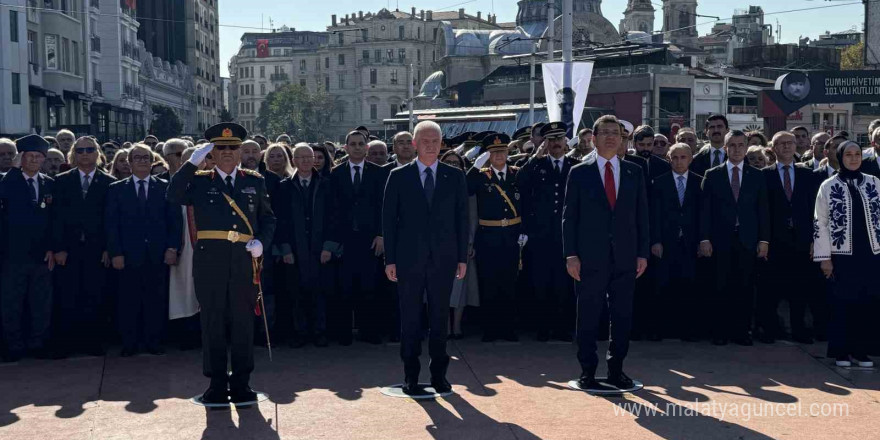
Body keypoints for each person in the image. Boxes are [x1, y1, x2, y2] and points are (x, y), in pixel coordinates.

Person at [167, 122, 276, 404]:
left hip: (242, 259)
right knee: (212, 321)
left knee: (242, 322)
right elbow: (173, 194)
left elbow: (268, 219)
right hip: (210, 261)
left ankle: (242, 381)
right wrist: (191, 163)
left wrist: (262, 241)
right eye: (221, 148)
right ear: (211, 153)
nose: (227, 152)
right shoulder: (200, 181)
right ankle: (216, 383)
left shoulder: (254, 180)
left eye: (232, 147)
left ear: (240, 152)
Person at [563, 115, 649, 391]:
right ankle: (588, 370)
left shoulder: (635, 171)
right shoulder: (579, 172)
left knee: (622, 315)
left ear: (623, 139)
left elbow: (642, 217)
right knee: (587, 315)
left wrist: (642, 253)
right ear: (594, 138)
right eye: (605, 132)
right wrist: (571, 254)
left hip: (625, 257)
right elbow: (569, 218)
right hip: (589, 258)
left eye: (617, 133)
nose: (611, 137)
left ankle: (616, 369)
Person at [383, 120, 469, 395]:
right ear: (415, 144)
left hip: (443, 260)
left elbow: (461, 220)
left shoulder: (454, 176)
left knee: (439, 319)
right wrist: (391, 259)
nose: (431, 146)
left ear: (441, 144)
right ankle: (411, 375)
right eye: (425, 141)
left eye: (435, 141)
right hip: (409, 260)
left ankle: (439, 375)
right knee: (410, 319)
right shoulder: (398, 176)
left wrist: (461, 257)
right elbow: (389, 222)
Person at [105, 143, 182, 356]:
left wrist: (172, 248)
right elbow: (111, 225)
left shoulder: (166, 186)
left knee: (155, 300)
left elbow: (174, 222)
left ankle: (153, 341)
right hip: (128, 255)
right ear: (129, 163)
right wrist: (116, 253)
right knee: (128, 300)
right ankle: (130, 343)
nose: (142, 161)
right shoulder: (117, 189)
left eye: (146, 157)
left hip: (158, 254)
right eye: (137, 158)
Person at [699, 129, 770, 346]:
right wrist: (704, 238)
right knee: (720, 285)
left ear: (746, 147)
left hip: (748, 240)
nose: (737, 150)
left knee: (745, 286)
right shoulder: (713, 174)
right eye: (733, 145)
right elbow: (705, 210)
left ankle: (742, 331)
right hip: (720, 240)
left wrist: (764, 240)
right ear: (726, 147)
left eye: (741, 145)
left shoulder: (757, 175)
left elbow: (763, 210)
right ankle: (720, 331)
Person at [813, 140, 880, 368]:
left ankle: (861, 352)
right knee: (843, 303)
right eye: (848, 154)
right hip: (842, 254)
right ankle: (841, 351)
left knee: (867, 303)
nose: (853, 158)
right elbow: (820, 224)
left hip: (871, 254)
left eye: (857, 154)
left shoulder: (874, 182)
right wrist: (824, 258)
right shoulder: (829, 185)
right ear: (840, 157)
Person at [50, 136, 115, 357]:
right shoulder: (61, 181)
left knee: (94, 295)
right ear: (73, 155)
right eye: (80, 150)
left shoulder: (109, 182)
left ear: (97, 153)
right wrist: (58, 248)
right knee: (68, 295)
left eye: (89, 150)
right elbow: (56, 217)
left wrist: (109, 248)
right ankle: (70, 343)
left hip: (97, 250)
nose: (85, 154)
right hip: (69, 249)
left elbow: (111, 219)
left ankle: (93, 342)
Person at [517, 122, 579, 342]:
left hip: (565, 234)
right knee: (541, 281)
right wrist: (536, 156)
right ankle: (543, 327)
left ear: (565, 141)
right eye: (551, 140)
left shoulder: (575, 165)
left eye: (559, 139)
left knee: (564, 283)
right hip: (541, 234)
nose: (556, 144)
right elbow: (520, 181)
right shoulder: (536, 165)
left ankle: (562, 327)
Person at [755, 131, 817, 344]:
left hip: (801, 240)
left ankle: (799, 330)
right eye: (782, 144)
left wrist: (813, 240)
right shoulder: (764, 175)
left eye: (791, 143)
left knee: (800, 288)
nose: (788, 147)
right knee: (770, 289)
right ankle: (770, 329)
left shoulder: (809, 175)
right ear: (773, 148)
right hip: (774, 241)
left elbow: (814, 211)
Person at [324, 130, 385, 345]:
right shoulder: (335, 174)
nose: (357, 147)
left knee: (370, 287)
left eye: (361, 144)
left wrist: (381, 234)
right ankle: (344, 334)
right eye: (353, 144)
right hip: (345, 240)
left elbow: (383, 208)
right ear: (346, 147)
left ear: (366, 148)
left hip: (370, 240)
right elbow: (331, 211)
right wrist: (331, 243)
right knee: (345, 288)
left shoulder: (379, 173)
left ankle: (370, 331)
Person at [0, 135, 56, 362]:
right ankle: (14, 345)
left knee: (41, 302)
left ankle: (37, 342)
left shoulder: (49, 183)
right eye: (29, 156)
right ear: (20, 158)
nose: (34, 161)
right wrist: (13, 170)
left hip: (42, 254)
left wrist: (53, 247)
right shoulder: (8, 180)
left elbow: (55, 220)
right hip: (13, 255)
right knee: (12, 303)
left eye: (38, 157)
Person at [467, 133, 523, 342]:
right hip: (488, 236)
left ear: (508, 152)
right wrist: (475, 165)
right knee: (489, 282)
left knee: (509, 283)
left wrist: (523, 230)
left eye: (502, 151)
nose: (499, 155)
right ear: (488, 155)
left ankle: (508, 328)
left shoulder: (517, 174)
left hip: (512, 236)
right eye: (494, 152)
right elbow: (465, 185)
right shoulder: (480, 176)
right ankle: (490, 328)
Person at [276, 144, 332, 348]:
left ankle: (320, 331)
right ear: (294, 161)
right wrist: (285, 249)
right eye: (301, 157)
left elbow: (334, 218)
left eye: (310, 157)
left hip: (319, 249)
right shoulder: (284, 187)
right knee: (296, 292)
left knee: (319, 292)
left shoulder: (326, 184)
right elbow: (279, 220)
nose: (307, 161)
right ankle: (300, 332)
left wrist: (329, 247)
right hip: (295, 249)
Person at [650, 143, 702, 341]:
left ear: (690, 159)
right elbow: (654, 214)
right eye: (675, 157)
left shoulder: (699, 182)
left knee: (688, 286)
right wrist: (655, 241)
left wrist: (701, 240)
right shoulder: (659, 182)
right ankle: (662, 329)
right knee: (663, 285)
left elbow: (702, 214)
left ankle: (687, 330)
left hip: (690, 243)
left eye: (683, 157)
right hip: (665, 242)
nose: (679, 161)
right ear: (669, 159)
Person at [440, 150, 477, 339]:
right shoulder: (434, 186)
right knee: (441, 288)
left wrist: (469, 244)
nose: (453, 166)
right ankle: (444, 326)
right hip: (439, 246)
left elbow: (471, 220)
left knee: (461, 288)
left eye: (457, 163)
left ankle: (457, 326)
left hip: (462, 245)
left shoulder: (467, 188)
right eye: (449, 162)